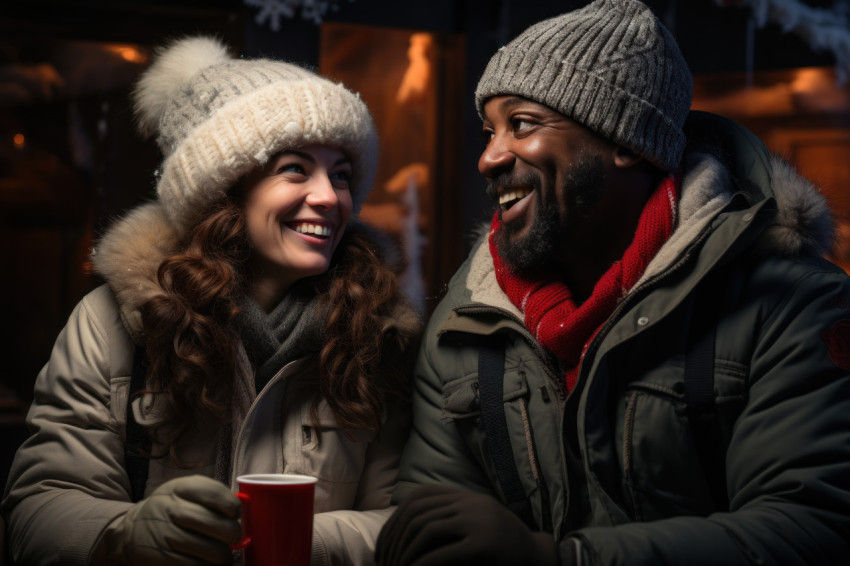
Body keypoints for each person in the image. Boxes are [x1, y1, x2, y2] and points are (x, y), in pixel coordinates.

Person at [374, 0, 850, 564]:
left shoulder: (791, 305)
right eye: (488, 131)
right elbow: (431, 525)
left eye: (521, 124)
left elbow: (811, 527)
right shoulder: (468, 323)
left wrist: (560, 558)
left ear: (626, 142)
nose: (489, 157)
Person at [2, 36, 421, 566]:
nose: (329, 197)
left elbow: (405, 521)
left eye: (340, 174)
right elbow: (37, 508)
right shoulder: (115, 323)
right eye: (295, 168)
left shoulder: (376, 334)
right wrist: (124, 537)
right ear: (225, 187)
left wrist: (285, 541)